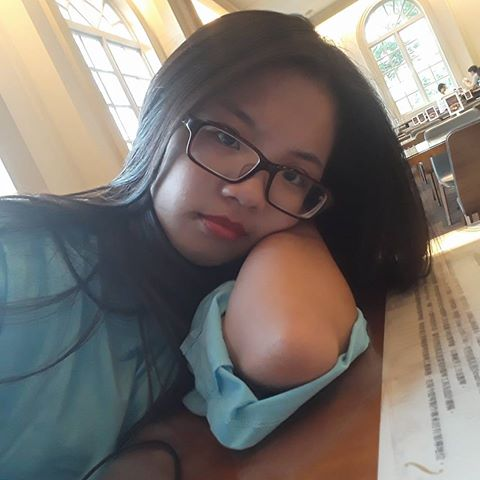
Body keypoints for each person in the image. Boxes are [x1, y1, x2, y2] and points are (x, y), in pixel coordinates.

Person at [0, 10, 430, 480]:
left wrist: (300, 226)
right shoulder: (17, 262)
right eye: (227, 138)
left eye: (293, 174)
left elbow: (289, 342)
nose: (248, 192)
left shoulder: (232, 288)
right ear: (163, 116)